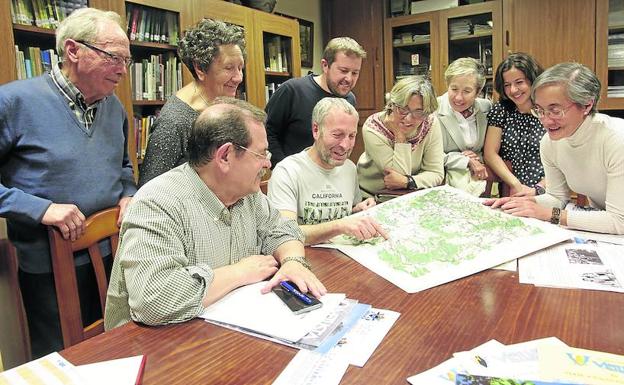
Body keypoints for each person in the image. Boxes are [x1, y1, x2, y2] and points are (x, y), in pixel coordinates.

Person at [104, 97, 326, 329]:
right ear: (225, 156)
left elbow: (283, 230)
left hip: (218, 328)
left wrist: (293, 261)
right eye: (261, 154)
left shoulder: (246, 194)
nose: (267, 164)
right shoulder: (157, 203)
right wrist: (239, 273)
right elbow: (155, 299)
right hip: (153, 346)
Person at [0, 8, 136, 357]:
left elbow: (123, 167)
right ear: (73, 51)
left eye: (127, 59)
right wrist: (41, 209)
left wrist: (128, 195)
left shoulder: (115, 109)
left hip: (109, 255)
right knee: (61, 359)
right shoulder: (14, 102)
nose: (122, 69)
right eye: (113, 57)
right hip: (46, 263)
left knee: (111, 347)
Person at [486, 63, 624, 235]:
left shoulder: (616, 139)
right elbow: (557, 197)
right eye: (539, 110)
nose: (545, 120)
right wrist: (523, 204)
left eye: (555, 111)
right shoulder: (550, 143)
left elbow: (619, 221)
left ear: (587, 105)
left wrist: (550, 214)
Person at [138, 18, 245, 186]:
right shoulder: (173, 121)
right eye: (229, 68)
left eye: (240, 68)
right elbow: (148, 189)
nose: (238, 77)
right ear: (200, 69)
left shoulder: (223, 104)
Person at [268, 97, 388, 245]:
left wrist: (358, 211)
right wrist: (339, 226)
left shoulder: (349, 168)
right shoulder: (287, 171)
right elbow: (285, 233)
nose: (345, 145)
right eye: (337, 135)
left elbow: (346, 214)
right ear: (316, 130)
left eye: (351, 136)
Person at [265, 37, 367, 167]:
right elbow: (267, 133)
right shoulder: (292, 91)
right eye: (343, 71)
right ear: (325, 65)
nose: (349, 78)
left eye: (355, 73)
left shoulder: (349, 99)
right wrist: (284, 169)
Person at [357, 76, 444, 200]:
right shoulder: (373, 127)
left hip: (412, 193)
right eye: (403, 109)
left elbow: (435, 173)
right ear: (392, 104)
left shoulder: (431, 122)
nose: (408, 119)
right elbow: (396, 175)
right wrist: (399, 135)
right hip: (373, 196)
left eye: (418, 112)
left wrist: (408, 182)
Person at [484, 53, 546, 196]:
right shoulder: (500, 110)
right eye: (507, 85)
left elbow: (563, 161)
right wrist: (515, 185)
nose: (513, 90)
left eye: (519, 82)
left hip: (546, 192)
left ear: (533, 80)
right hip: (510, 191)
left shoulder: (548, 110)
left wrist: (537, 189)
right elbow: (490, 153)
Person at [435, 57, 493, 196]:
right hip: (444, 185)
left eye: (467, 91)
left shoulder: (486, 108)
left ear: (478, 92)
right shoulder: (433, 110)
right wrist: (464, 160)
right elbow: (427, 155)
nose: (458, 98)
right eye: (454, 89)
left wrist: (477, 158)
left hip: (481, 182)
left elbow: (490, 149)